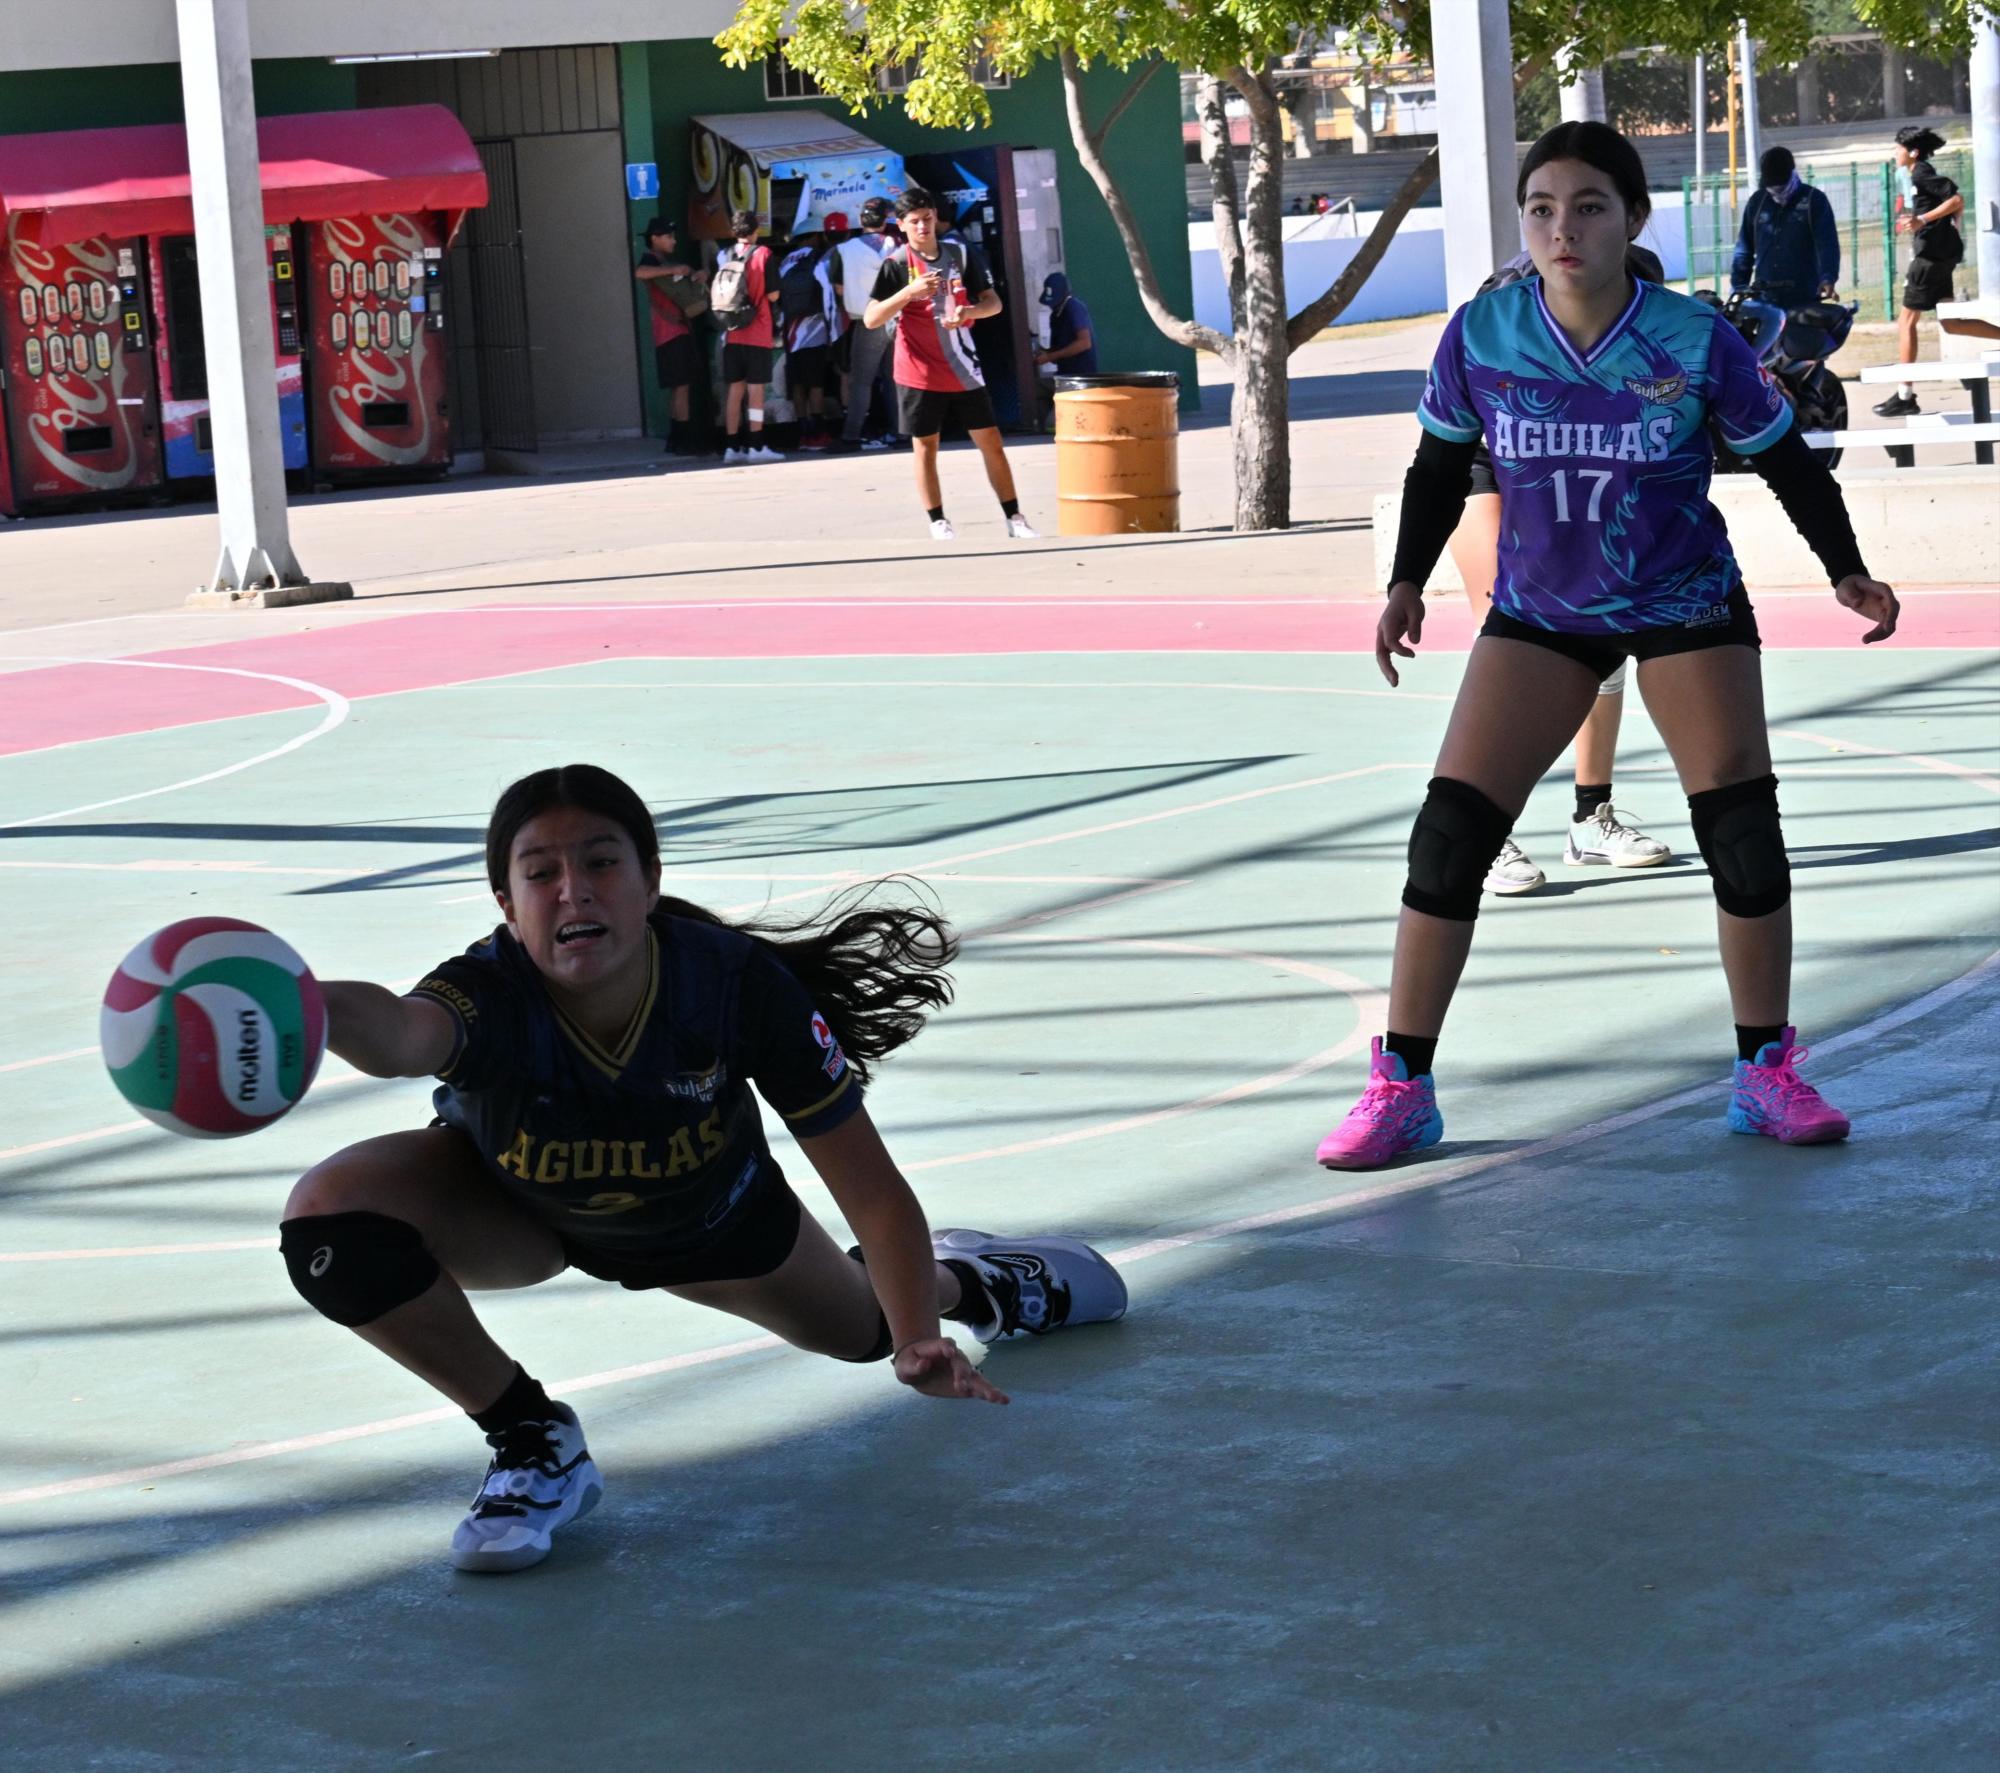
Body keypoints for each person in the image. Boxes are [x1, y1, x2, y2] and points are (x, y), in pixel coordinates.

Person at [279, 764, 1129, 1573]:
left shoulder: (729, 987)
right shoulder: (486, 992)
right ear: (507, 905)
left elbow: (869, 1185)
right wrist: (301, 1004)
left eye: (601, 863)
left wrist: (916, 1334)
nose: (572, 888)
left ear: (649, 882)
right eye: (541, 873)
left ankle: (972, 1280)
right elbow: (396, 1035)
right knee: (329, 1217)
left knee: (867, 1330)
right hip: (524, 1216)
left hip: (714, 1227)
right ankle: (534, 1439)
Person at [1316, 120, 1900, 1173]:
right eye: (1539, 208)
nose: (1560, 228)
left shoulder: (1688, 340)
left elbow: (1783, 460)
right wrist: (1402, 582)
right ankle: (1401, 1085)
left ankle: (1763, 1071)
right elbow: (1436, 467)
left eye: (1586, 206)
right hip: (1542, 611)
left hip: (1682, 602)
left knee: (1739, 829)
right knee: (1447, 837)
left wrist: (1841, 567)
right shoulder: (1482, 334)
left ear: (1632, 219)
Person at [1446, 243, 1674, 895]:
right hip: (1490, 458)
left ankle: (1590, 822)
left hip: (1577, 462)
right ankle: (1483, 831)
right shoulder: (1513, 302)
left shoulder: (1642, 304)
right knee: (1511, 628)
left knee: (1602, 635)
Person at [863, 186, 1039, 542]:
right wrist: (907, 294)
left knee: (991, 441)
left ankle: (1014, 517)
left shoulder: (960, 253)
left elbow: (994, 304)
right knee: (925, 447)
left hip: (962, 365)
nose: (923, 228)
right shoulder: (896, 264)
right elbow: (871, 318)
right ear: (902, 225)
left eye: (927, 220)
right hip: (916, 370)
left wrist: (969, 312)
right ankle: (938, 521)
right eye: (915, 222)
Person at [1873, 126, 1965, 419]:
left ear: (1912, 152)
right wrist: (1934, 222)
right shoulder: (1918, 174)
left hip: (1929, 259)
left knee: (1906, 322)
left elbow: (1956, 199)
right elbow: (1950, 205)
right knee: (1952, 323)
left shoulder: (1920, 171)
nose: (1894, 153)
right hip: (1938, 254)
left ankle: (1905, 396)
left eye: (1898, 147)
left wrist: (1923, 220)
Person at [1729, 147, 1841, 315]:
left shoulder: (1814, 201)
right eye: (1772, 184)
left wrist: (1827, 277)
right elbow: (1744, 250)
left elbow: (1827, 244)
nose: (1777, 190)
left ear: (1791, 173)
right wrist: (1738, 287)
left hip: (1804, 296)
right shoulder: (1757, 203)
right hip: (1764, 299)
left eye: (1781, 183)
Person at [633, 215, 707, 457]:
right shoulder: (651, 261)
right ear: (654, 239)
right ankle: (683, 439)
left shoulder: (663, 262)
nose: (673, 240)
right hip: (669, 332)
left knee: (679, 388)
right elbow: (640, 272)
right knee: (681, 387)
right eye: (668, 236)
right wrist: (674, 268)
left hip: (679, 330)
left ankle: (676, 438)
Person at [714, 209, 781, 462]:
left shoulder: (725, 255)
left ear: (734, 231)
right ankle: (756, 446)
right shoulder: (763, 254)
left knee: (735, 391)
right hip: (757, 331)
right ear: (756, 231)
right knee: (756, 391)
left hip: (732, 333)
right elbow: (773, 294)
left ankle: (731, 448)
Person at [832, 198, 896, 452]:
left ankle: (852, 435)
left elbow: (838, 288)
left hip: (866, 319)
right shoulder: (895, 245)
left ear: (860, 221)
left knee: (861, 381)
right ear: (886, 221)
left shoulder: (844, 250)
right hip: (896, 317)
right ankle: (900, 431)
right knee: (896, 379)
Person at [778, 224, 841, 451]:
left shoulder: (785, 262)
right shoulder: (818, 259)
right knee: (816, 385)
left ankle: (802, 432)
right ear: (816, 236)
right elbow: (828, 294)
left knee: (797, 385)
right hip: (814, 330)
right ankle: (818, 432)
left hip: (791, 332)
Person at [1033, 272, 1098, 429]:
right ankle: (1044, 420)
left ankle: (1064, 422)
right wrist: (1045, 353)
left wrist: (1050, 356)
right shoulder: (1055, 315)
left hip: (1079, 379)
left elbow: (1084, 343)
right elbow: (1058, 353)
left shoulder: (1073, 307)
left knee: (1053, 425)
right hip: (1062, 376)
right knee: (1035, 388)